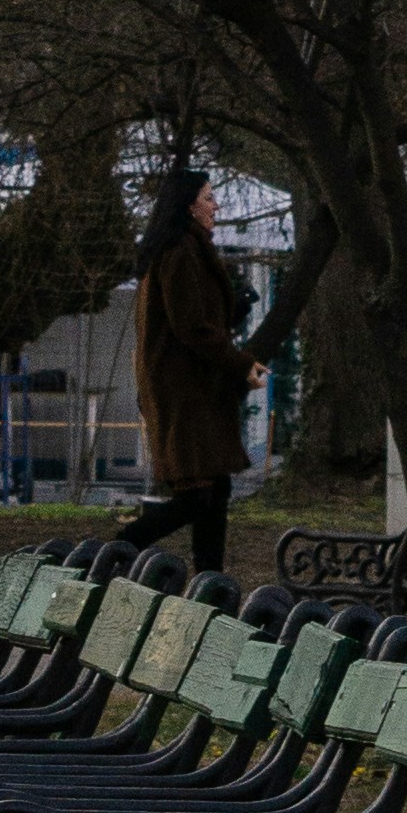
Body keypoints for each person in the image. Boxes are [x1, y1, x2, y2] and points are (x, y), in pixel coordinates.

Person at [127, 157, 249, 576]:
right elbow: (192, 328)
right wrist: (241, 365)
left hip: (192, 387)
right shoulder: (180, 253)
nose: (216, 206)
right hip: (186, 392)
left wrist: (235, 314)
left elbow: (193, 321)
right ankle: (118, 548)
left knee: (215, 488)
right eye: (209, 198)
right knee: (198, 494)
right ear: (189, 205)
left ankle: (209, 581)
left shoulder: (183, 249)